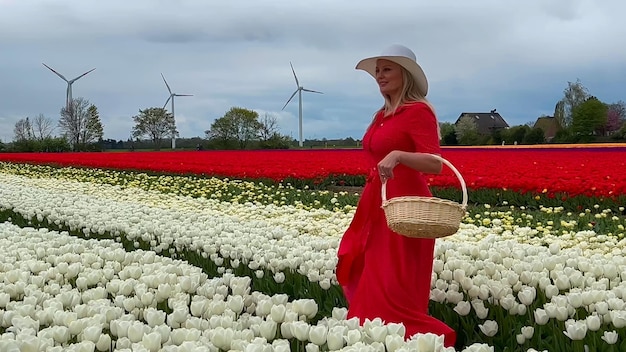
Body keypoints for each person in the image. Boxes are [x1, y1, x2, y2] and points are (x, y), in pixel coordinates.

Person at [336, 44, 456, 347]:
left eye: (386, 69)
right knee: (364, 268)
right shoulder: (381, 115)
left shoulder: (418, 112)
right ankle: (378, 337)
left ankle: (421, 340)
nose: (379, 76)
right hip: (377, 203)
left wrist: (400, 155)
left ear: (405, 75)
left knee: (392, 283)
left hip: (407, 207)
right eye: (377, 71)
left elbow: (435, 163)